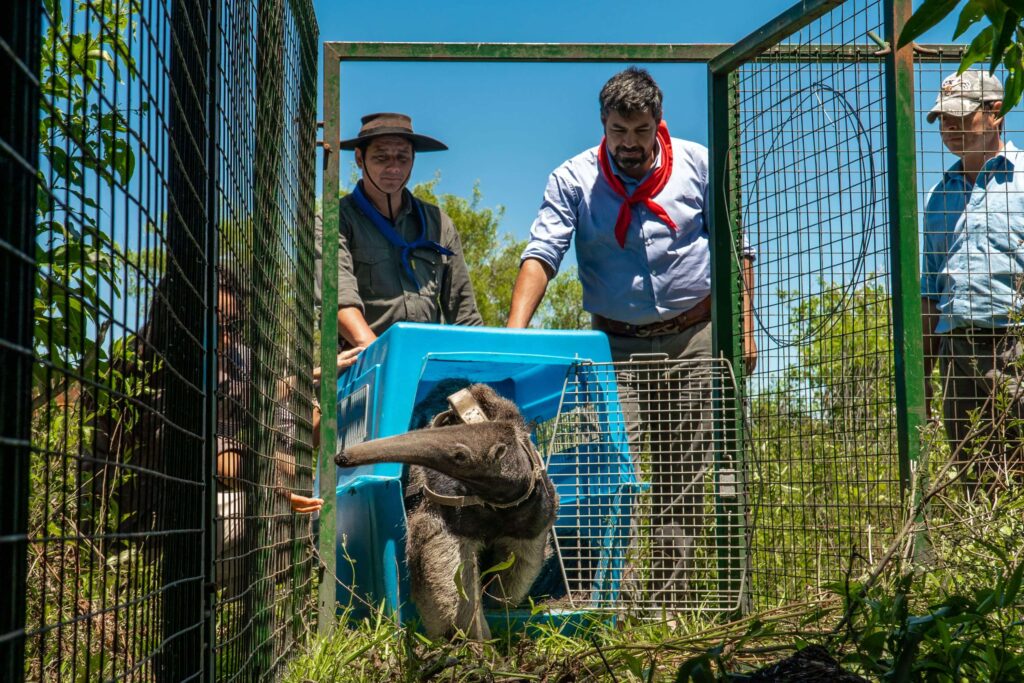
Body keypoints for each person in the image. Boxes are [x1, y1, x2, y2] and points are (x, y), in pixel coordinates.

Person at [507, 67, 756, 605]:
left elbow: (738, 250)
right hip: (614, 347)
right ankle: (609, 603)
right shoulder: (572, 178)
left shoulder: (700, 165)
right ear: (603, 124)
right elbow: (541, 254)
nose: (630, 143)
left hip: (695, 336)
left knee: (683, 479)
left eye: (641, 130)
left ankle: (672, 607)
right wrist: (514, 337)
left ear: (658, 123)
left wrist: (745, 331)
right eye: (619, 130)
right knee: (614, 471)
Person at [921, 70, 1024, 494]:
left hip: (1015, 344)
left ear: (995, 114)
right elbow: (930, 292)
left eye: (962, 118)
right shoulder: (938, 196)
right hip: (958, 351)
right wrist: (925, 378)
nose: (951, 130)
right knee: (976, 484)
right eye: (944, 120)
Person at [332, 112, 482, 349]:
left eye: (402, 158)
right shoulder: (336, 219)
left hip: (427, 365)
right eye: (381, 158)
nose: (393, 168)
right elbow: (340, 303)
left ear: (413, 160)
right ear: (360, 159)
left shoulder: (440, 224)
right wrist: (384, 360)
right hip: (360, 365)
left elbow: (465, 317)